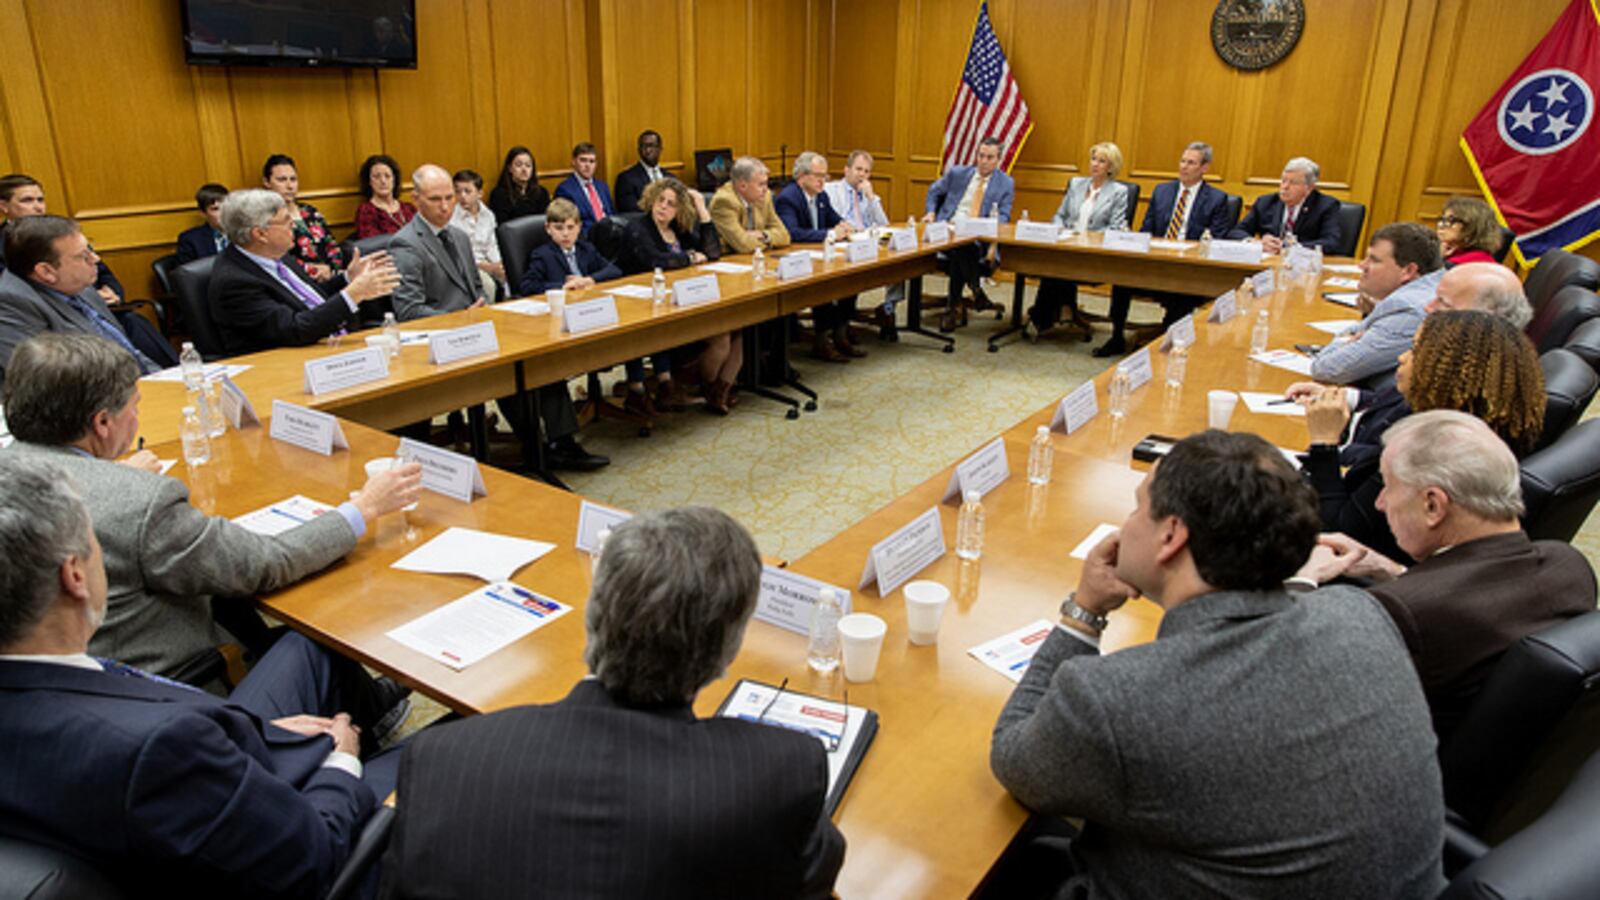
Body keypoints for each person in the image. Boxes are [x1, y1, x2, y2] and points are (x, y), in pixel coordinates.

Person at [988, 430, 1444, 898]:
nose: (1125, 527)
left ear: (1171, 536)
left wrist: (1083, 611)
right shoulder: (1359, 613)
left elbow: (1014, 758)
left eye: (1137, 508)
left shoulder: (1119, 701)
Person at [376, 507, 846, 899]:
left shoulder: (441, 758)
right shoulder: (778, 772)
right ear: (729, 646)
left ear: (595, 613)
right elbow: (810, 877)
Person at [0, 454, 407, 897]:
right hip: (305, 841)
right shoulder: (160, 751)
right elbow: (312, 857)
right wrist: (342, 764)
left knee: (307, 647)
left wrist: (254, 736)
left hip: (204, 783)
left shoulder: (44, 681)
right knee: (467, 745)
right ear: (74, 575)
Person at [2, 330, 425, 683]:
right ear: (102, 423)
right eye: (135, 407)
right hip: (162, 684)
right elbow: (267, 562)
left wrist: (116, 474)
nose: (137, 419)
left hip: (48, 683)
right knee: (318, 634)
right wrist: (363, 508)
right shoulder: (141, 503)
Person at [1292, 411, 1597, 739]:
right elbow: (1467, 603)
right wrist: (1393, 571)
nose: (1380, 504)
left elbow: (1286, 682)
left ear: (1433, 506)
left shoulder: (1399, 613)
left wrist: (1301, 581)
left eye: (1389, 487)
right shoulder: (1569, 565)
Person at [391, 164, 606, 471]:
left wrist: (478, 314)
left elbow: (477, 290)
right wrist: (461, 318)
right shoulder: (406, 244)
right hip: (438, 343)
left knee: (537, 361)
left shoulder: (459, 237)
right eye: (435, 199)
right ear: (415, 199)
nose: (445, 206)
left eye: (449, 197)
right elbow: (408, 311)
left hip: (477, 331)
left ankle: (561, 444)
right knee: (507, 373)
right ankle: (536, 449)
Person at [1302, 310, 1545, 564]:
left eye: (1416, 351)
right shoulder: (1475, 430)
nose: (1402, 358)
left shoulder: (1433, 450)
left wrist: (1324, 443)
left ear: (1450, 372)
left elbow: (1339, 531)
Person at [209, 189, 399, 356]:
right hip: (284, 369)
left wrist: (348, 278)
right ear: (260, 234)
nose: (294, 225)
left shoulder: (276, 255)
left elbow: (312, 296)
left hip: (328, 348)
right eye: (285, 221)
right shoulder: (234, 282)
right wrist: (354, 294)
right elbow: (294, 329)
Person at [1095, 142, 1235, 356]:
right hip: (1156, 260)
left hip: (1189, 268)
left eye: (1191, 163)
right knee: (1123, 277)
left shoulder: (1217, 199)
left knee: (1182, 287)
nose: (1184, 167)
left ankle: (1172, 340)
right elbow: (1146, 230)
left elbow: (1216, 239)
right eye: (1182, 161)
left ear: (1204, 168)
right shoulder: (1162, 191)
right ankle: (1116, 337)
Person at [624, 177, 738, 414]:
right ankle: (680, 384)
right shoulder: (638, 227)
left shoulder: (677, 229)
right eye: (660, 200)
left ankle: (714, 388)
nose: (663, 206)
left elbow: (712, 252)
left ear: (680, 210)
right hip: (643, 305)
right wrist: (689, 258)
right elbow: (653, 261)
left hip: (680, 299)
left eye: (671, 204)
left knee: (735, 327)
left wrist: (703, 212)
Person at [0, 215, 160, 381]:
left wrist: (163, 379)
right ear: (46, 272)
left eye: (90, 249)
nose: (95, 259)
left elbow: (128, 351)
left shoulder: (78, 285)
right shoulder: (11, 304)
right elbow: (47, 381)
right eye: (83, 256)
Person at [1309, 222, 1445, 387]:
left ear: (1408, 271)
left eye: (1373, 260)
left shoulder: (1408, 309)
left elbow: (1326, 369)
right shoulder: (1432, 287)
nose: (1362, 266)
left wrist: (1342, 341)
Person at [1026, 142, 1131, 344]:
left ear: (1111, 167)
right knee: (1055, 264)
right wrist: (1060, 231)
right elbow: (1059, 215)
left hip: (1094, 253)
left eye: (1102, 161)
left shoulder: (1119, 192)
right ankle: (1063, 309)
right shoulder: (1076, 184)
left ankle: (1041, 317)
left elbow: (1115, 227)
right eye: (1094, 159)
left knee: (1055, 268)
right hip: (1066, 245)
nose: (1095, 164)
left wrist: (1086, 238)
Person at [776, 151, 864, 362]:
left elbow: (836, 219)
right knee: (824, 286)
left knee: (851, 279)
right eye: (818, 175)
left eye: (825, 176)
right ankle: (822, 341)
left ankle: (841, 334)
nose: (823, 180)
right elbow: (792, 233)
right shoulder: (788, 197)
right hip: (796, 260)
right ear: (802, 176)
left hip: (821, 255)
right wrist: (831, 233)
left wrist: (845, 226)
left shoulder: (821, 195)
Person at [923, 137, 1014, 332]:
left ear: (998, 159)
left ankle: (951, 308)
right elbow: (933, 192)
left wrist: (991, 237)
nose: (984, 161)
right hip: (948, 231)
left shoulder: (1005, 183)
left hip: (980, 240)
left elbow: (1004, 216)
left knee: (963, 247)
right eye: (981, 156)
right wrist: (931, 212)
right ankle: (976, 290)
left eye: (990, 157)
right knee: (960, 245)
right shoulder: (958, 174)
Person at [0, 173, 125, 303]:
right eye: (27, 200)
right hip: (52, 313)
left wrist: (110, 290)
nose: (38, 207)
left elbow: (103, 272)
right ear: (4, 206)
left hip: (102, 306)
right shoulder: (4, 243)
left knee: (134, 321)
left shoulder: (64, 232)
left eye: (40, 200)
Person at [824, 149, 902, 339]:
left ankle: (889, 308)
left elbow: (884, 224)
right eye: (858, 169)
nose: (862, 175)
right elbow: (830, 220)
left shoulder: (870, 195)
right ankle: (841, 323)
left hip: (868, 243)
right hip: (843, 243)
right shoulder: (831, 190)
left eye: (867, 171)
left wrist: (871, 198)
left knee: (900, 261)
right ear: (846, 170)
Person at [1228, 157, 1342, 253]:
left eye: (1293, 183)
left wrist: (1290, 247)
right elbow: (1236, 232)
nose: (1285, 187)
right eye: (1283, 181)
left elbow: (1331, 242)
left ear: (1309, 188)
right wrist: (1256, 243)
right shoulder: (1266, 202)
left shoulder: (1325, 206)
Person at [262, 154, 345, 280]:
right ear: (267, 182)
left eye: (293, 179)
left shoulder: (310, 211)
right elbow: (279, 258)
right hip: (298, 283)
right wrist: (313, 271)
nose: (290, 186)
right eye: (282, 180)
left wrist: (331, 269)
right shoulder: (268, 218)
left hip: (331, 276)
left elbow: (332, 245)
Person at [711, 155, 791, 256]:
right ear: (743, 186)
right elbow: (744, 245)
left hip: (755, 258)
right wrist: (770, 242)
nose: (766, 189)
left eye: (766, 184)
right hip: (731, 260)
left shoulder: (765, 196)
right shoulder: (724, 201)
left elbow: (785, 236)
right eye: (761, 184)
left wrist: (764, 235)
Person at [448, 168, 505, 300]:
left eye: (467, 191)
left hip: (488, 262)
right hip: (466, 266)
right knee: (488, 285)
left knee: (510, 275)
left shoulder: (488, 215)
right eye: (458, 192)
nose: (462, 196)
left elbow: (492, 245)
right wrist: (487, 267)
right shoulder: (451, 217)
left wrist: (499, 264)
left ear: (480, 193)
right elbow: (457, 254)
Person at [553, 142, 615, 233]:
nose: (588, 165)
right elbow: (568, 225)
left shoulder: (602, 186)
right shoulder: (564, 190)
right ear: (573, 162)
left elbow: (612, 214)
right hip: (587, 238)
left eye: (591, 161)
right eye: (583, 160)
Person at [353, 153, 417, 239]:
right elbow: (372, 244)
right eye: (376, 176)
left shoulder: (409, 208)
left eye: (387, 176)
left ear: (394, 180)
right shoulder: (366, 212)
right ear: (369, 181)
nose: (383, 181)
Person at [487, 145, 550, 223]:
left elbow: (547, 221)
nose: (524, 169)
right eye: (519, 165)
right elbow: (502, 228)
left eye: (528, 165)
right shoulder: (499, 195)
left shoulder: (541, 192)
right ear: (510, 168)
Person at [1436, 195, 1503, 266]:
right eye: (1443, 219)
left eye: (1451, 220)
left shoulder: (1455, 265)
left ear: (1471, 226)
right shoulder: (1486, 258)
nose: (1441, 225)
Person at [175, 182, 230, 264]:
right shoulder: (190, 240)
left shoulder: (244, 233)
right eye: (215, 209)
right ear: (203, 213)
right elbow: (187, 275)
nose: (224, 212)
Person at [613, 129, 665, 214]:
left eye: (652, 146)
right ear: (639, 150)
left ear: (660, 149)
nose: (648, 150)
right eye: (644, 146)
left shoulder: (671, 177)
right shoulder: (626, 178)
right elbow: (630, 211)